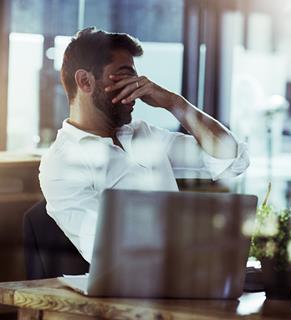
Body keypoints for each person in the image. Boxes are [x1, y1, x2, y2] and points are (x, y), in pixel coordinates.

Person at [39, 27, 249, 263]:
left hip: (187, 272)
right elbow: (107, 250)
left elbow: (232, 160)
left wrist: (174, 103)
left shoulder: (144, 134)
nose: (138, 86)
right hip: (132, 291)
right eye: (125, 75)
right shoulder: (60, 163)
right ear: (85, 81)